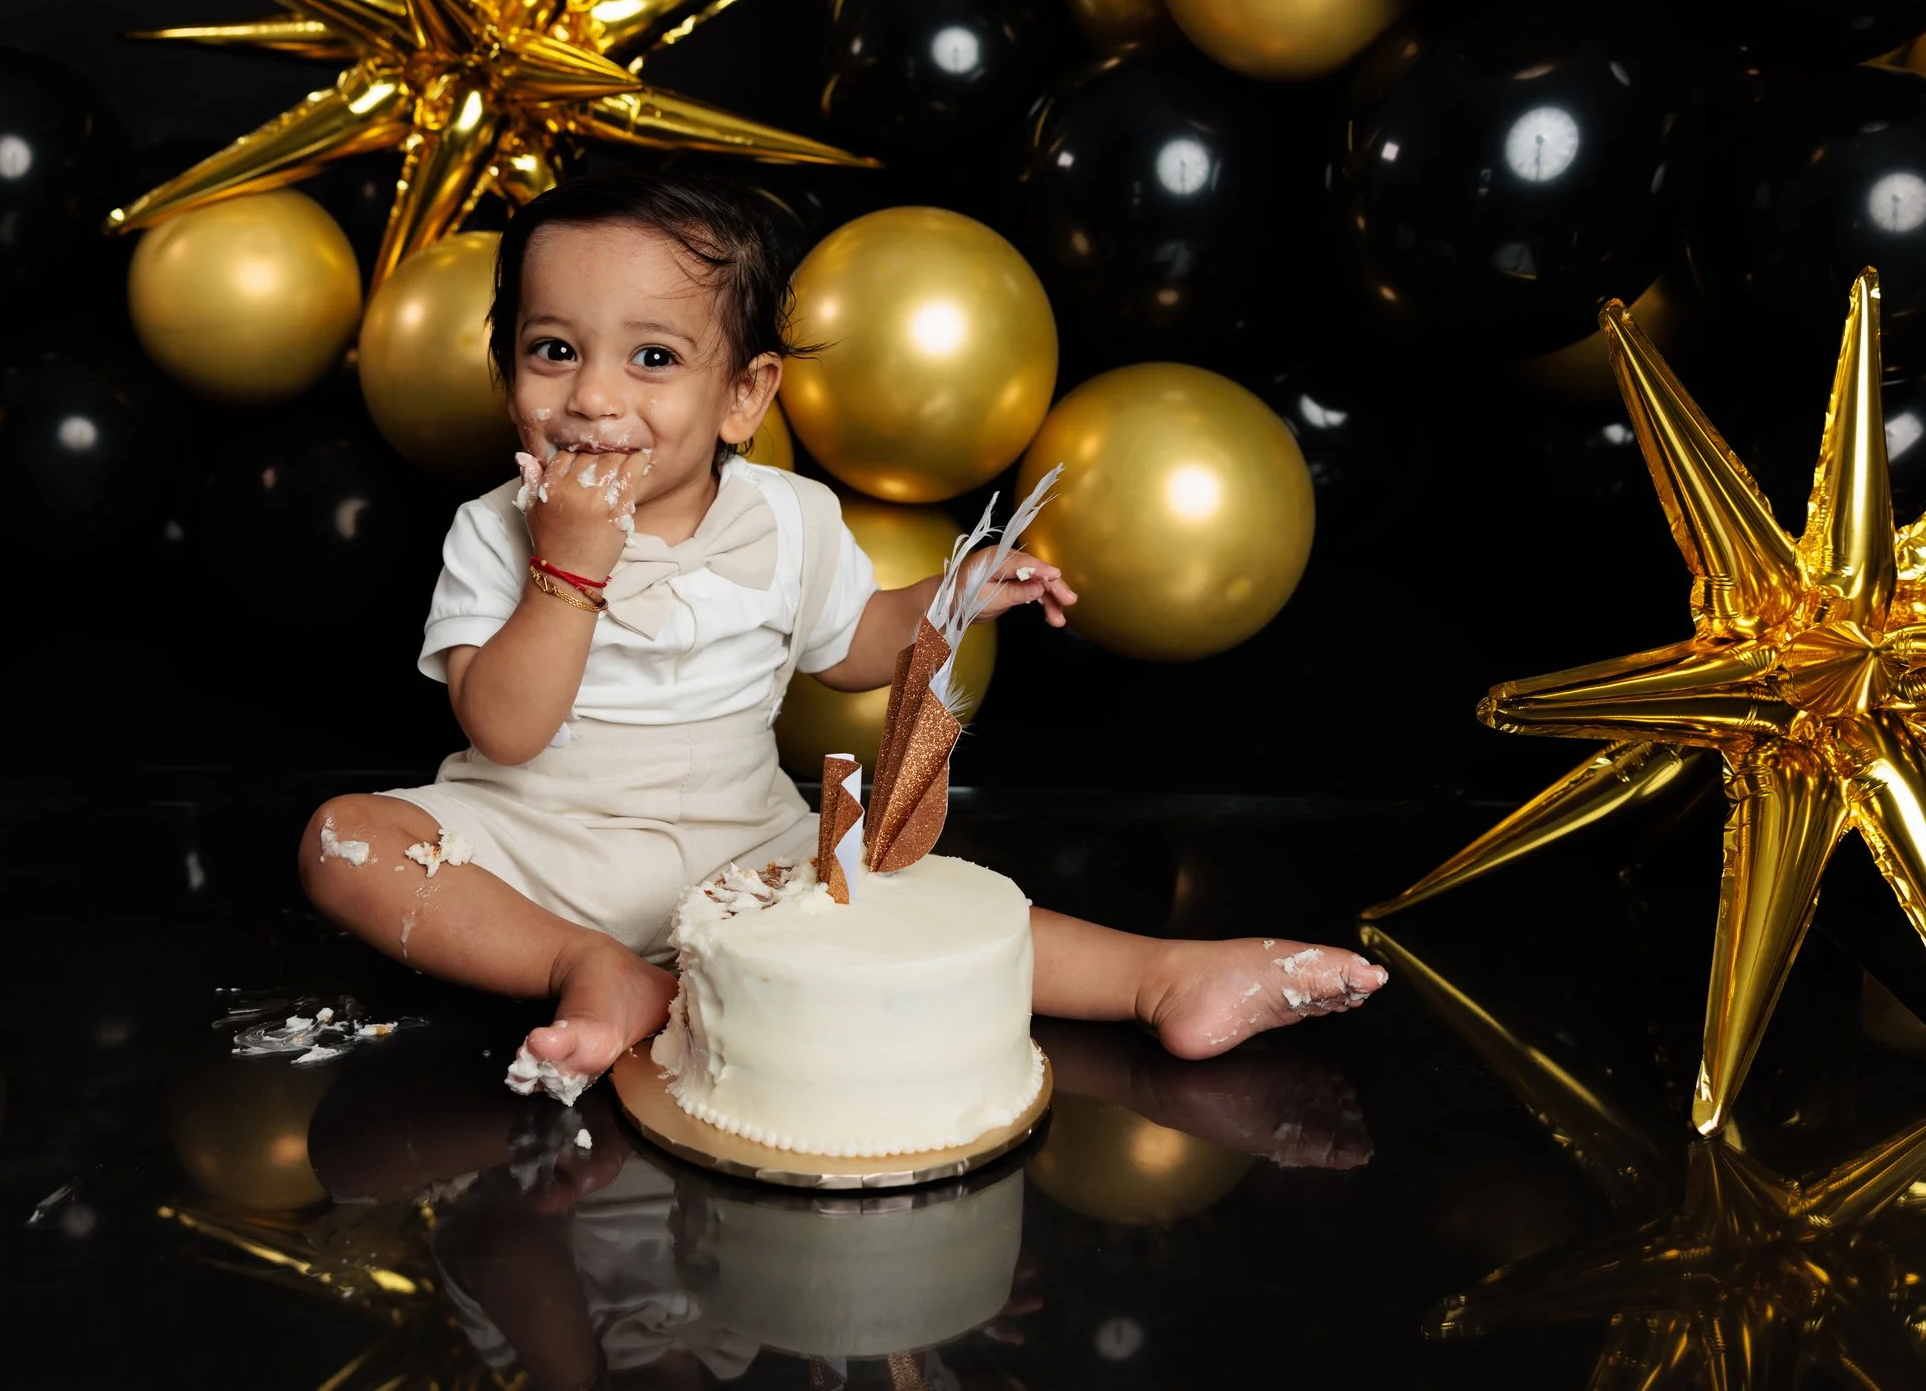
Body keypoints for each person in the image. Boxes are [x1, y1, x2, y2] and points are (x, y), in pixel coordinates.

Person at [297, 173, 1385, 1094]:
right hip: (533, 845)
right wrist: (568, 566)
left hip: (738, 843)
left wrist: (943, 601)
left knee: (917, 894)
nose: (593, 396)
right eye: (551, 349)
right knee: (346, 841)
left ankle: (1163, 976)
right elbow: (507, 729)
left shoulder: (786, 515)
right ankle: (588, 966)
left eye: (654, 359)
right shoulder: (491, 530)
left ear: (744, 393)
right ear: (505, 379)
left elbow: (853, 645)